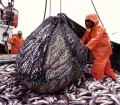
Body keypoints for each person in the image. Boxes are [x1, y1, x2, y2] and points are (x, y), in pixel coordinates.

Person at [80, 13, 116, 81]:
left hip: (103, 50)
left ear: (94, 21)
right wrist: (80, 42)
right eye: (86, 21)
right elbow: (84, 37)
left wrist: (86, 47)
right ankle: (113, 78)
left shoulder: (100, 28)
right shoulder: (89, 29)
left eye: (89, 21)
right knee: (106, 65)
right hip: (97, 50)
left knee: (98, 65)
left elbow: (96, 38)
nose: (87, 23)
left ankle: (98, 80)